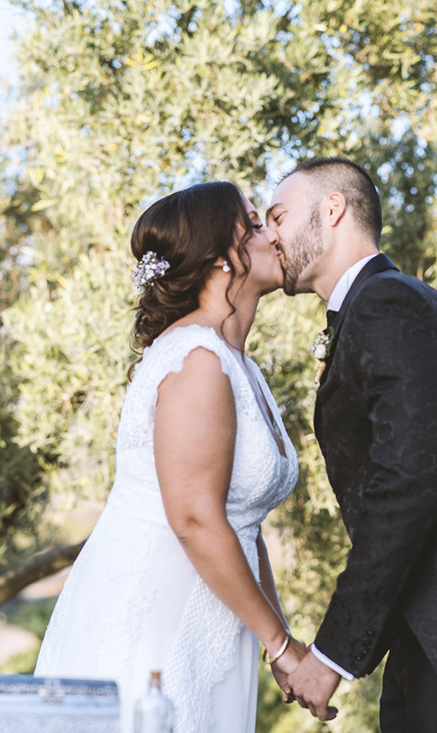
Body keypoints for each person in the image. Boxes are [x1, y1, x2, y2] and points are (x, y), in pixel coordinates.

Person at [264, 158, 437, 732]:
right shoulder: (370, 310)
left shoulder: (390, 304)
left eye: (278, 215)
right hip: (434, 640)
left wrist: (331, 654)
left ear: (333, 209)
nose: (271, 234)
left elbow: (407, 485)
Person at [33, 181, 306, 733]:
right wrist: (280, 645)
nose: (271, 235)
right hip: (154, 618)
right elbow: (195, 518)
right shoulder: (196, 360)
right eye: (253, 226)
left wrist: (273, 633)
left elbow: (241, 525)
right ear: (219, 260)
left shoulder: (239, 366)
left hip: (213, 620)